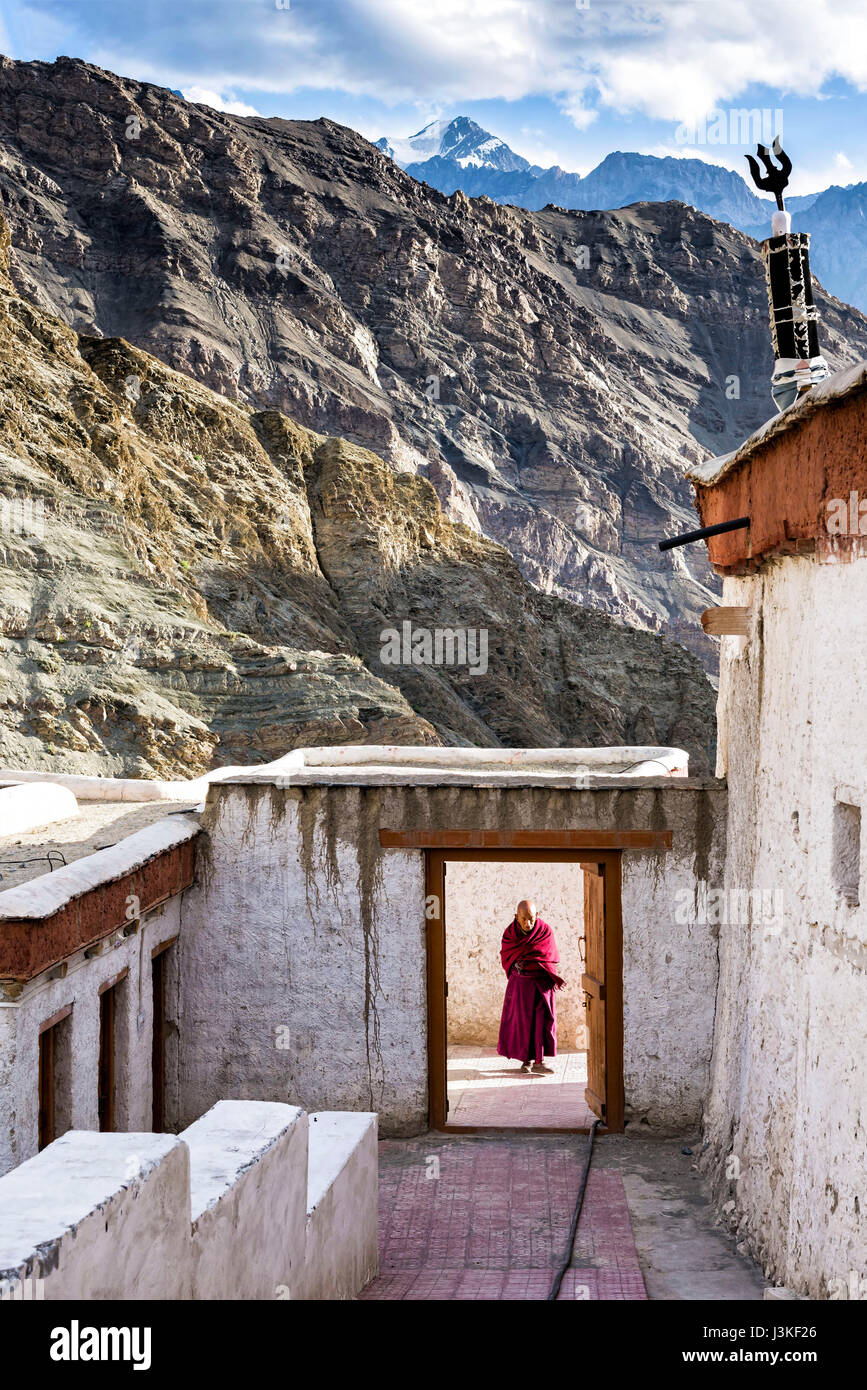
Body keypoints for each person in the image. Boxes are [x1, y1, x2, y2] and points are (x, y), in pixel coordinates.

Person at [497, 898, 565, 1074]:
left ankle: (539, 1061)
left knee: (540, 1023)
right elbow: (507, 956)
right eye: (523, 919)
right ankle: (525, 1061)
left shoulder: (545, 931)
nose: (527, 923)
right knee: (522, 1023)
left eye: (531, 919)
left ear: (537, 916)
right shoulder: (510, 934)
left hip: (541, 985)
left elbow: (549, 956)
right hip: (520, 985)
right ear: (516, 917)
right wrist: (518, 968)